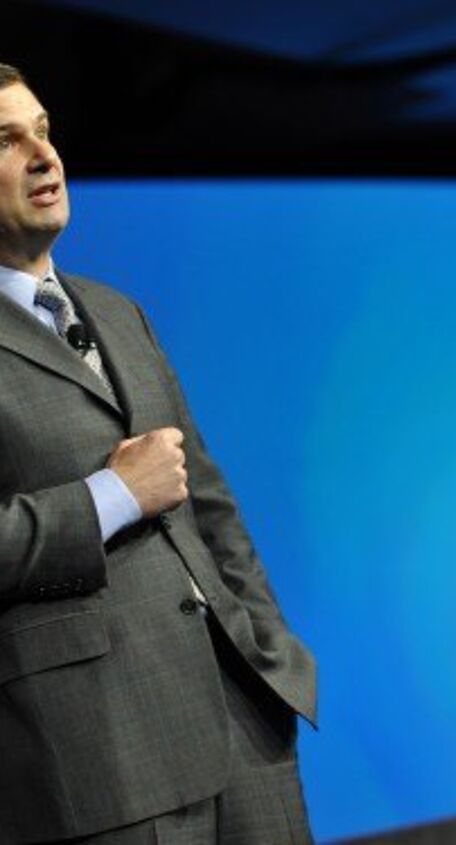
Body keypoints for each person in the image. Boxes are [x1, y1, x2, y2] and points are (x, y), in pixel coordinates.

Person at [0, 63, 317, 844]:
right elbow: (140, 487)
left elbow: (207, 499)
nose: (43, 156)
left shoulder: (117, 310)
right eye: (6, 141)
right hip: (103, 756)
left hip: (244, 724)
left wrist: (269, 648)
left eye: (44, 131)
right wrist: (112, 496)